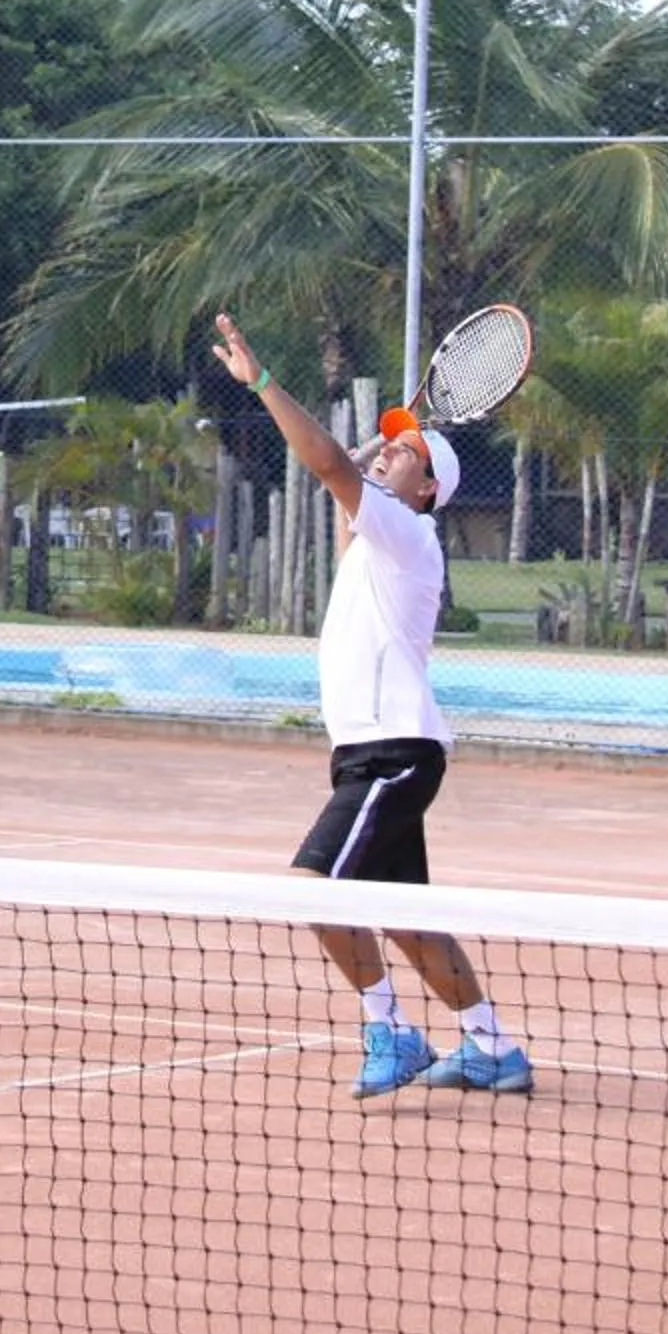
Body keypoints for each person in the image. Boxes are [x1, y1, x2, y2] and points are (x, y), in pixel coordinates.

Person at [210, 311, 533, 1098]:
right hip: (371, 753)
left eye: (407, 453)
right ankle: (493, 1047)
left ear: (428, 492)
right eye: (385, 445)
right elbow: (336, 487)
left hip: (394, 756)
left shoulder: (411, 536)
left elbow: (324, 465)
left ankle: (387, 1029)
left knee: (313, 891)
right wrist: (363, 462)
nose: (390, 452)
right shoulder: (377, 536)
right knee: (406, 919)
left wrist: (262, 385)